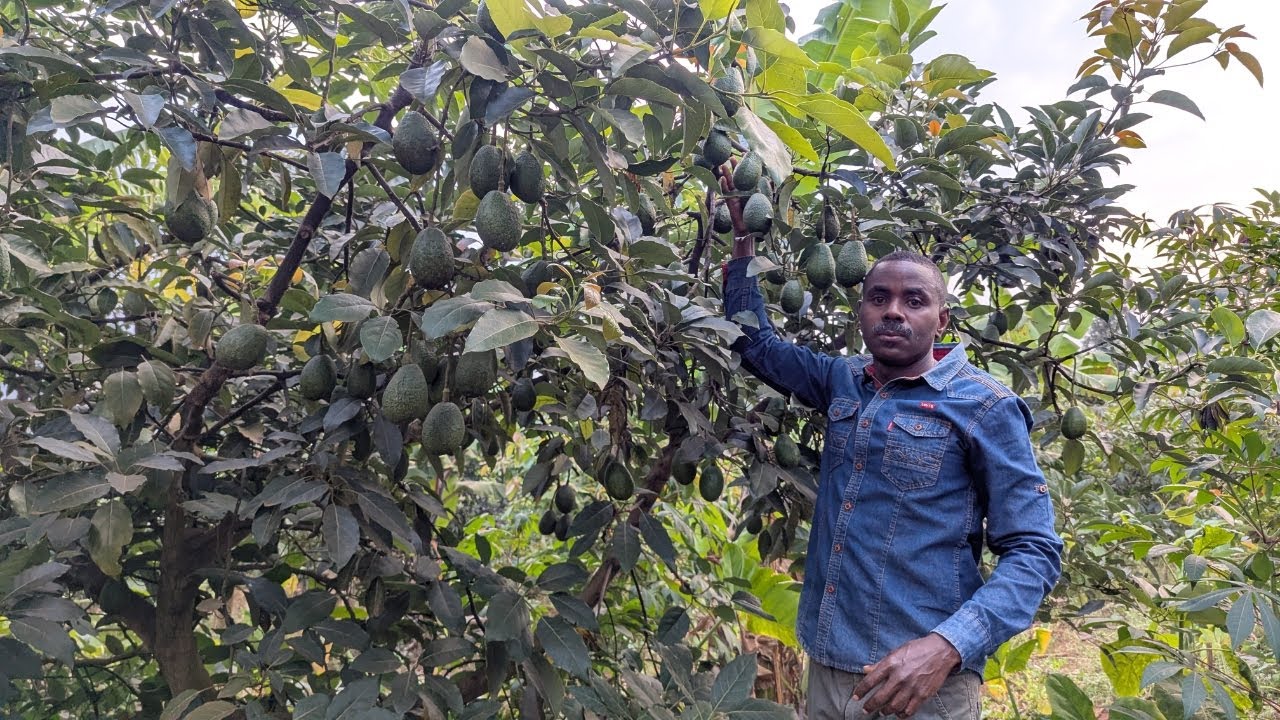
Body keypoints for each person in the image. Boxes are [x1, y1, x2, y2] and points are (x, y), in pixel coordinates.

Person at [717, 167, 1063, 720]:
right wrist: (743, 246)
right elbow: (755, 344)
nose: (894, 311)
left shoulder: (985, 407)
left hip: (921, 685)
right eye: (879, 297)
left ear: (941, 318)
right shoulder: (842, 380)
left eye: (914, 300)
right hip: (829, 668)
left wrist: (949, 646)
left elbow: (1035, 551)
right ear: (862, 312)